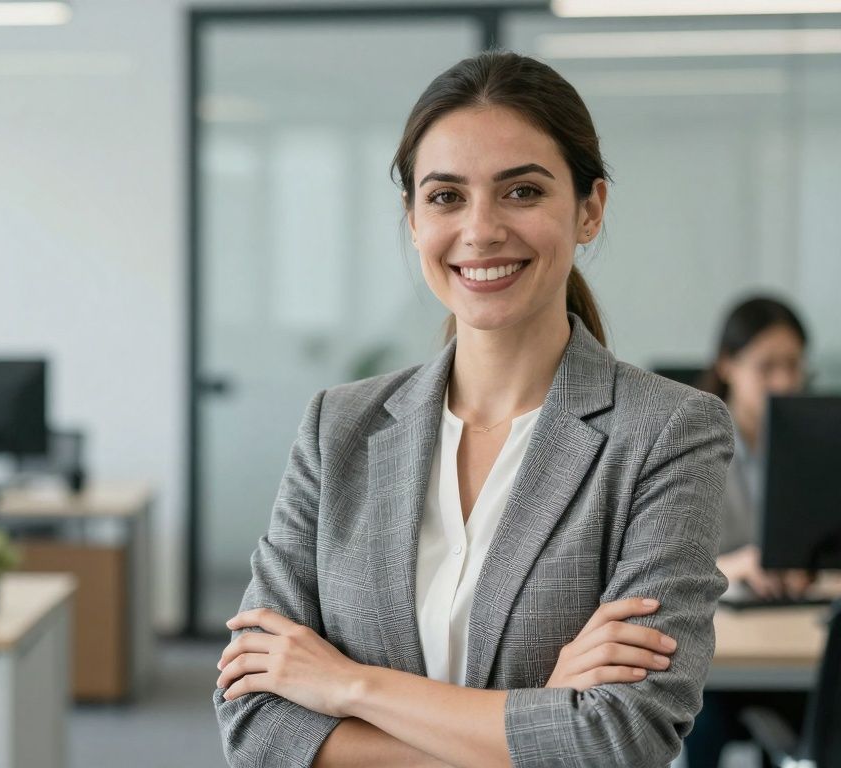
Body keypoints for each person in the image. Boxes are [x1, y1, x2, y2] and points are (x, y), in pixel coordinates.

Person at [213, 51, 733, 768]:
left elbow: (620, 737)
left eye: (521, 192)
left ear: (590, 209)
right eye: (446, 196)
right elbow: (254, 724)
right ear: (414, 218)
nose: (481, 230)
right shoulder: (339, 429)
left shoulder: (666, 432)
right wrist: (533, 726)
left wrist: (346, 685)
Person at [682, 296, 811, 768]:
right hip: (718, 647)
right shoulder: (690, 441)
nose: (784, 382)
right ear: (728, 365)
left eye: (793, 366)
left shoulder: (812, 444)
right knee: (708, 720)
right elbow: (662, 560)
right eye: (767, 367)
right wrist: (740, 566)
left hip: (792, 632)